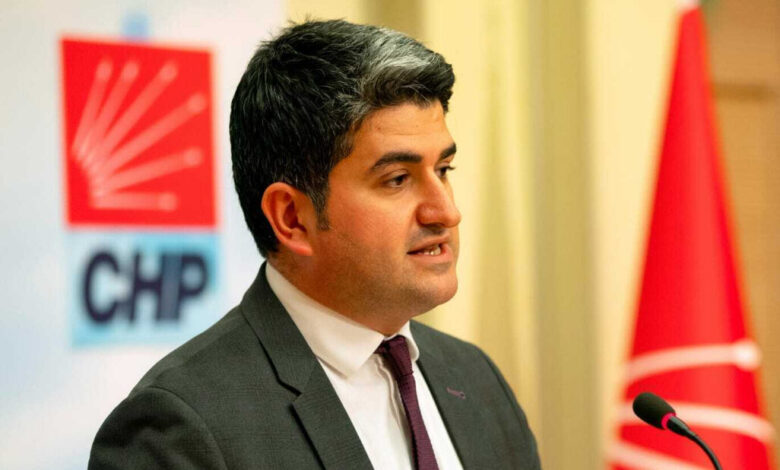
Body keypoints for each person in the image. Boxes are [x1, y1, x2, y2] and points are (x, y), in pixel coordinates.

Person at [89, 19, 541, 470]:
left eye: (443, 170)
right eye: (397, 179)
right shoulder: (181, 429)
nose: (446, 212)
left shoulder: (477, 380)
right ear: (292, 218)